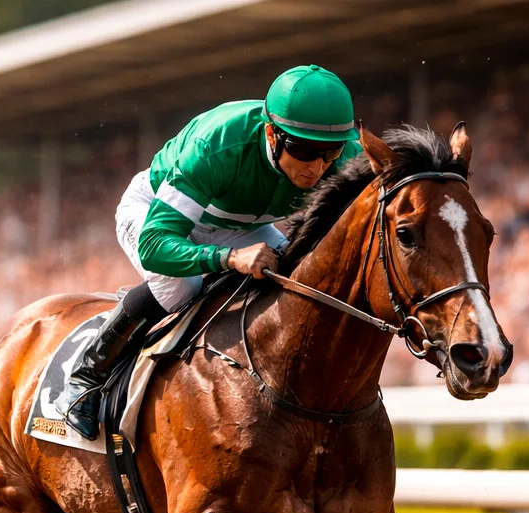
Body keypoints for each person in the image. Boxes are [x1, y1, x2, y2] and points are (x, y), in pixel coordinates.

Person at [55, 65, 360, 439]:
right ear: (271, 133)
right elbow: (154, 245)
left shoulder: (346, 156)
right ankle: (87, 373)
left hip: (240, 226)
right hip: (159, 215)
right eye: (302, 150)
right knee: (181, 288)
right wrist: (229, 258)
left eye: (330, 153)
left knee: (298, 276)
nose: (317, 167)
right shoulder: (217, 143)